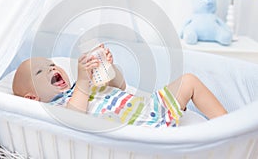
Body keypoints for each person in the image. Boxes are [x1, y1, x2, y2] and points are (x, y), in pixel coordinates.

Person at [12, 44, 227, 128]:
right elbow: (74, 119)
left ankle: (228, 126)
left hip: (149, 107)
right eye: (40, 72)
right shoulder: (57, 108)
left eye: (52, 65)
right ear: (32, 98)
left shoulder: (79, 84)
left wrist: (109, 68)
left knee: (188, 81)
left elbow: (120, 86)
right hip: (135, 128)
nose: (51, 69)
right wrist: (84, 82)